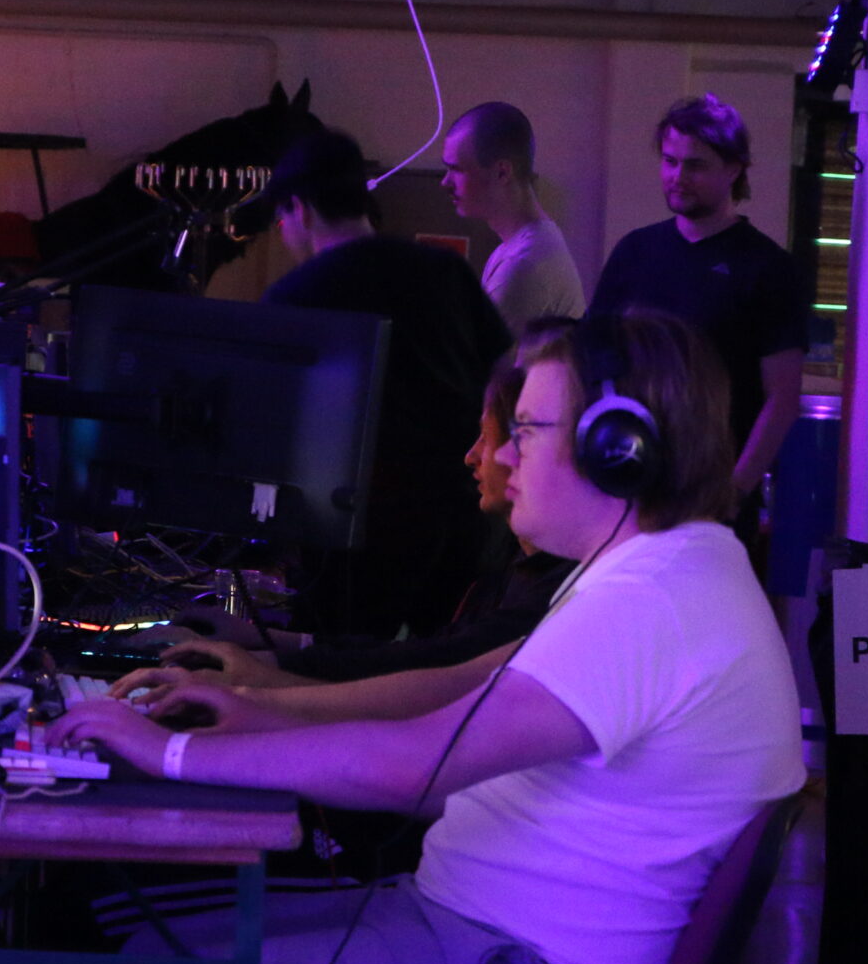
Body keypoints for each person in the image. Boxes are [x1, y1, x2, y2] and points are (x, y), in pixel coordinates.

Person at [51, 309, 804, 964]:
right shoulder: (656, 571)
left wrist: (171, 752)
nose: (504, 455)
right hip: (472, 931)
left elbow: (419, 764)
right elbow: (458, 685)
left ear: (615, 449)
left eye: (527, 430)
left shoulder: (654, 601)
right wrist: (265, 708)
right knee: (149, 947)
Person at [139, 343, 574, 695]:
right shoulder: (516, 567)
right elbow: (427, 654)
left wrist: (263, 675)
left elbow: (428, 674)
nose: (474, 456)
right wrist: (268, 643)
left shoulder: (552, 595)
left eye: (502, 437)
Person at [259, 130, 513, 641]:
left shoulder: (295, 298)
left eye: (281, 220)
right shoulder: (444, 270)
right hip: (462, 517)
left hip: (355, 531)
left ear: (300, 208)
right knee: (441, 662)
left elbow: (274, 430)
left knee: (336, 666)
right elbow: (506, 374)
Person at [586, 94, 810, 503]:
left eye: (695, 165)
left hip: (713, 487)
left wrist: (735, 490)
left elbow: (782, 398)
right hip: (629, 478)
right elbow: (593, 362)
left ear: (733, 169)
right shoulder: (635, 251)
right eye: (670, 161)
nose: (678, 177)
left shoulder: (767, 267)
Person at [441, 102, 584, 335]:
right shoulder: (519, 248)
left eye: (456, 169)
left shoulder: (523, 265)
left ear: (502, 172)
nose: (445, 182)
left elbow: (485, 358)